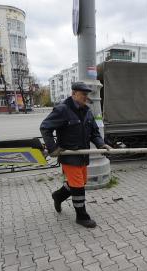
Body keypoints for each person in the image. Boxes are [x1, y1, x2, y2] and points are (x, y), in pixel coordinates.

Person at [40, 81, 112, 228]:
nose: (86, 97)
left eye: (87, 94)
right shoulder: (62, 110)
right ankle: (81, 216)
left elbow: (94, 133)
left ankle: (58, 196)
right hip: (69, 155)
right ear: (74, 94)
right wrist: (52, 148)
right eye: (83, 94)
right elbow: (45, 128)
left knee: (81, 181)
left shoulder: (87, 111)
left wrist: (101, 144)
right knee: (78, 186)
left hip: (83, 155)